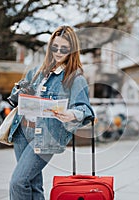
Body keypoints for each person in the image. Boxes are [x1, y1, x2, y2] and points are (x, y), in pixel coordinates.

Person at [8, 26, 93, 200]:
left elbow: (85, 109)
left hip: (46, 136)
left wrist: (71, 114)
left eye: (64, 49)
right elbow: (16, 97)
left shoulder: (75, 78)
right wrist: (21, 91)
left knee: (18, 182)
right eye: (55, 47)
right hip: (22, 132)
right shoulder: (36, 72)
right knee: (33, 184)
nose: (58, 52)